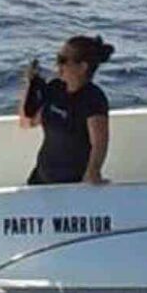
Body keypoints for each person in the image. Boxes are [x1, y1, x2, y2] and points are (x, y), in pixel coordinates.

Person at [18, 35, 114, 185]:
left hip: (71, 184)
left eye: (62, 60)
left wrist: (93, 172)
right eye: (57, 59)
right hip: (41, 178)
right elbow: (27, 122)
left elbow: (99, 143)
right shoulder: (55, 87)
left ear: (82, 67)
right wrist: (30, 85)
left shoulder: (93, 98)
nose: (57, 65)